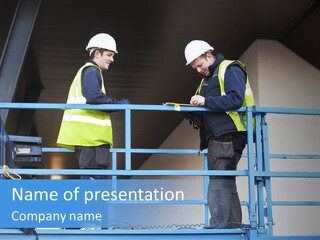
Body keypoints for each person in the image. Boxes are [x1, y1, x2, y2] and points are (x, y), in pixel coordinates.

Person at [184, 40, 254, 229]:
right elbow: (208, 107)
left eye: (199, 65)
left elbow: (235, 99)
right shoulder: (206, 80)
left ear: (209, 55)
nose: (199, 70)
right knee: (225, 179)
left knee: (219, 180)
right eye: (195, 68)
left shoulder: (230, 68)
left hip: (228, 134)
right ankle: (231, 225)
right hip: (218, 137)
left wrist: (206, 101)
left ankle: (219, 226)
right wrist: (188, 110)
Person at [57, 33, 130, 179]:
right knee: (94, 186)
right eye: (109, 55)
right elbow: (94, 97)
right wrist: (119, 104)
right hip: (91, 141)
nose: (112, 59)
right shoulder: (91, 70)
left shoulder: (89, 71)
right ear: (97, 53)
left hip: (90, 141)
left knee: (93, 186)